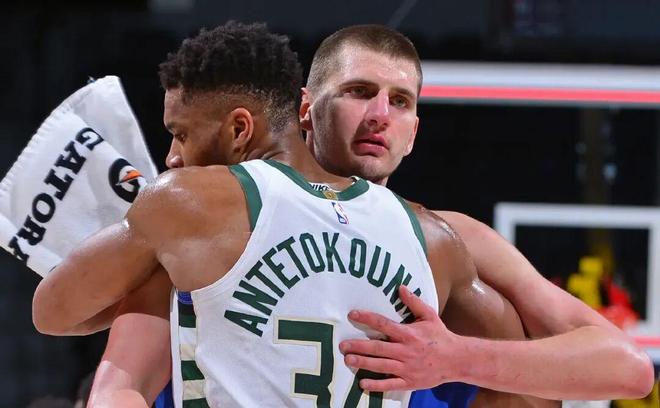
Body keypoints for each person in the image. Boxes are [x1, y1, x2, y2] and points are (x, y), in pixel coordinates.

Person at [78, 23, 652, 407]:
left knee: (505, 337)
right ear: (306, 109)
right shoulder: (212, 214)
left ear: (415, 132)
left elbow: (626, 367)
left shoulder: (449, 237)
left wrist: (455, 357)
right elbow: (118, 383)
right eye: (359, 91)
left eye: (400, 101)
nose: (380, 114)